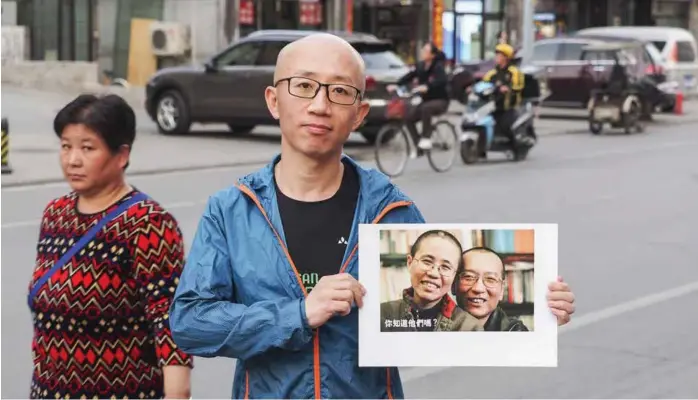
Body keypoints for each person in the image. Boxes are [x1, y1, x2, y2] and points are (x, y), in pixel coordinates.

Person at [168, 33, 576, 399]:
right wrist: (298, 314)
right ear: (274, 100)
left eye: (340, 92)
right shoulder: (233, 208)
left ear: (360, 114)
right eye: (305, 86)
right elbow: (190, 322)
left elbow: (435, 323)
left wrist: (531, 314)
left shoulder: (391, 210)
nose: (320, 105)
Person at [27, 94, 193, 399]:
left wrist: (177, 393)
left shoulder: (148, 222)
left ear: (121, 155)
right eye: (66, 146)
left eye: (87, 148)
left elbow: (170, 325)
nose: (72, 159)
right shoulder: (56, 214)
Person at [381, 230, 480, 332]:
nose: (433, 273)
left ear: (455, 276)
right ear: (410, 263)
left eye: (445, 267)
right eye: (427, 261)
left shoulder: (469, 328)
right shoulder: (382, 315)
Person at [388, 42, 450, 152]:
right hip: (425, 100)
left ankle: (426, 138)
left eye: (426, 51)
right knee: (408, 117)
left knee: (426, 108)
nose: (423, 52)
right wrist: (397, 84)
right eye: (423, 50)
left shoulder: (438, 66)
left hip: (440, 100)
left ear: (432, 55)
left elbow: (442, 80)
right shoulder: (420, 66)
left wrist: (428, 86)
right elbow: (410, 76)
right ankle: (418, 146)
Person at [481, 43, 525, 145]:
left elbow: (519, 86)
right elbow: (483, 84)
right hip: (493, 106)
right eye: (496, 55)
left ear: (506, 58)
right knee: (483, 124)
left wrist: (508, 88)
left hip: (509, 107)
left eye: (500, 55)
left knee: (505, 126)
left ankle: (516, 147)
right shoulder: (492, 73)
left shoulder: (514, 72)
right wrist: (472, 88)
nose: (497, 57)